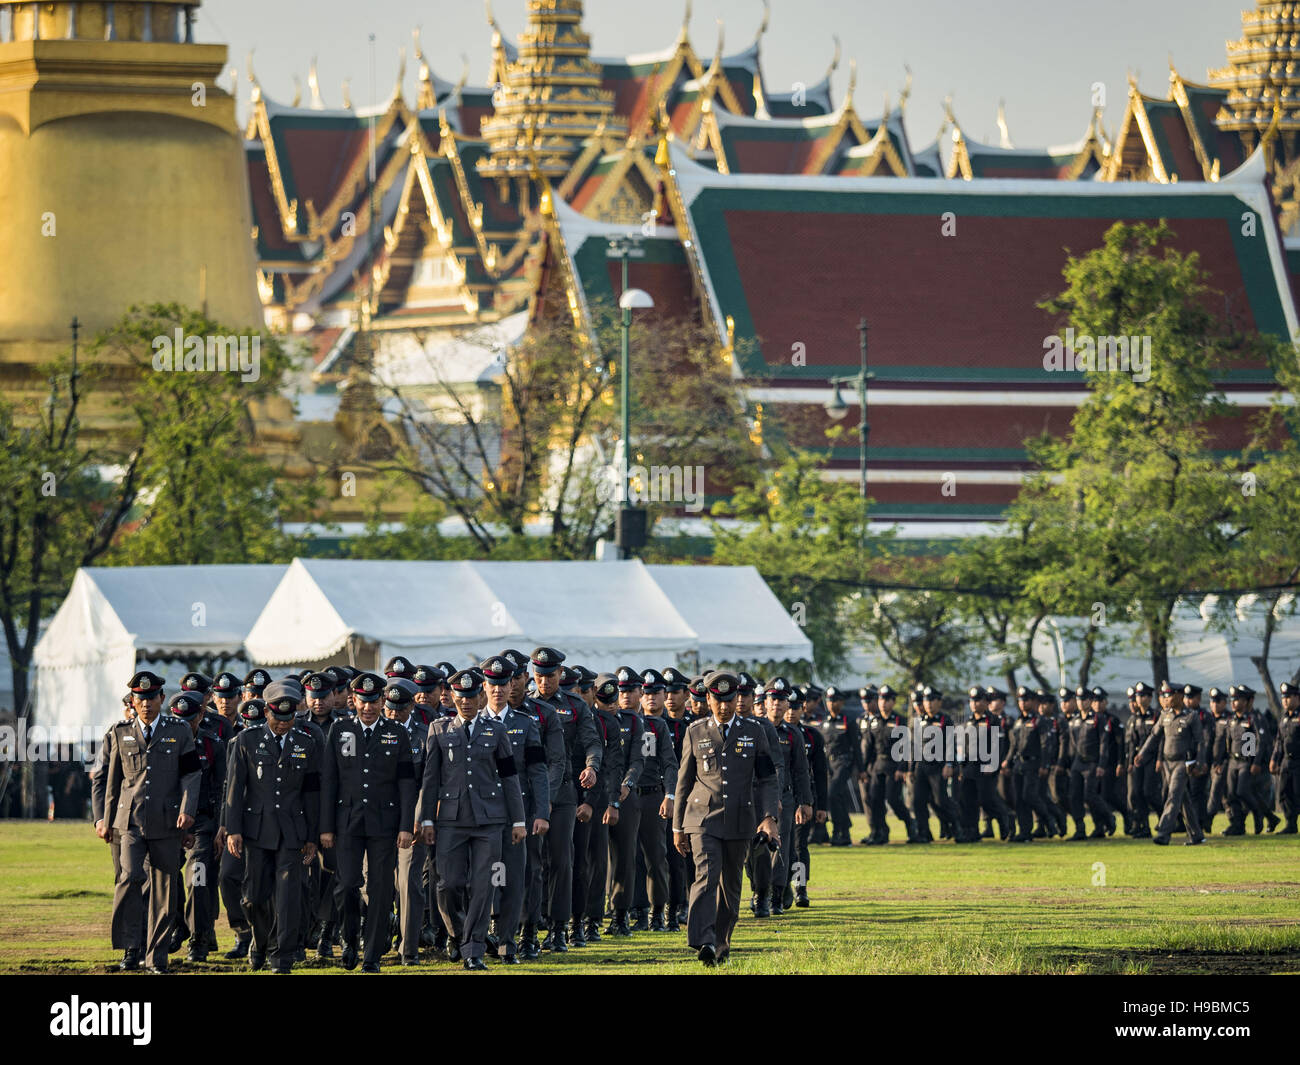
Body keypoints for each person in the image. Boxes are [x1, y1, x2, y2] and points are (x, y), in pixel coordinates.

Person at [417, 669, 526, 971]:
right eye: (460, 697)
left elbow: (509, 776)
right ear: (451, 696)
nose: (465, 702)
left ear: (480, 696)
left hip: (489, 821)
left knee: (483, 886)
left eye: (470, 696)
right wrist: (426, 819)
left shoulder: (496, 730)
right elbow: (430, 779)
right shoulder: (439, 730)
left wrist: (518, 820)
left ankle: (474, 949)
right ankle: (457, 933)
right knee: (448, 884)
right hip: (450, 820)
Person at [673, 671, 780, 966]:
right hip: (702, 818)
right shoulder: (695, 731)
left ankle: (720, 942)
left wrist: (769, 817)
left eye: (729, 699)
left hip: (740, 819)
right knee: (706, 876)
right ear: (708, 699)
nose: (724, 706)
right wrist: (678, 827)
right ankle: (703, 940)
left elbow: (768, 780)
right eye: (718, 700)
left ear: (737, 699)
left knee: (731, 889)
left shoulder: (755, 731)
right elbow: (683, 782)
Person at [102, 671, 201, 973]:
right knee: (130, 878)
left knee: (164, 890)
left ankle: (157, 956)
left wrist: (187, 811)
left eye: (150, 698)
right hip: (130, 821)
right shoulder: (119, 731)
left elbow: (191, 774)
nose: (145, 704)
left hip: (168, 821)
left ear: (161, 698)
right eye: (139, 698)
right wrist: (105, 821)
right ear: (132, 701)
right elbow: (113, 780)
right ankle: (131, 948)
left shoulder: (180, 730)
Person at [319, 673, 417, 973]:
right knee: (347, 884)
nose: (368, 707)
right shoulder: (340, 729)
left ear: (382, 700)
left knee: (381, 889)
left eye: (374, 701)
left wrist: (405, 826)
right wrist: (325, 827)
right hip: (347, 821)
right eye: (363, 701)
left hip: (384, 823)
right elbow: (329, 780)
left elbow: (406, 784)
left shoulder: (397, 733)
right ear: (354, 699)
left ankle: (372, 954)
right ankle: (350, 939)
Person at [223, 682, 322, 973]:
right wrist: (233, 829)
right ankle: (260, 942)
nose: (282, 724)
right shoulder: (247, 740)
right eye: (277, 718)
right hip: (256, 831)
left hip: (292, 832)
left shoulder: (306, 743)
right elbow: (235, 788)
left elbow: (313, 793)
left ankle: (282, 957)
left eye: (288, 719)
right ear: (266, 712)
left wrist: (312, 836)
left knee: (289, 897)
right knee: (253, 897)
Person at [529, 646, 600, 953]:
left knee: (562, 860)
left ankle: (560, 928)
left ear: (560, 674)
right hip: (529, 793)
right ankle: (527, 926)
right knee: (530, 863)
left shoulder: (574, 706)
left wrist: (592, 766)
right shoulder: (523, 704)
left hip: (563, 794)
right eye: (539, 675)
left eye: (550, 675)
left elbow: (592, 742)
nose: (544, 681)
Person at [478, 656, 550, 962]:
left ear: (512, 686)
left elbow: (538, 770)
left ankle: (508, 941)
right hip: (480, 814)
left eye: (502, 684)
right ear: (484, 687)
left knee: (514, 879)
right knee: (486, 878)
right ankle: (481, 938)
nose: (497, 690)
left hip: (515, 813)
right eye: (492, 684)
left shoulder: (525, 724)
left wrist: (542, 811)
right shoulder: (471, 723)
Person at [168, 690, 226, 962]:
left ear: (201, 716)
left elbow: (224, 790)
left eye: (189, 719)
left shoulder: (213, 745)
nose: (183, 724)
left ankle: (199, 938)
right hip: (168, 824)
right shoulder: (163, 742)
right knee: (166, 879)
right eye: (178, 718)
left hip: (204, 824)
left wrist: (221, 828)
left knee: (199, 879)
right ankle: (177, 924)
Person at [1133, 681, 1205, 846]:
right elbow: (1154, 736)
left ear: (1180, 695)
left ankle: (1164, 833)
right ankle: (1196, 834)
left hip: (1182, 762)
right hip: (1167, 762)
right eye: (1164, 695)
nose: (1166, 699)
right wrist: (1142, 753)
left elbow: (1201, 741)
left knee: (1173, 796)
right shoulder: (1165, 715)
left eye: (1169, 695)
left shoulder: (1191, 716)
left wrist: (1200, 762)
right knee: (1183, 800)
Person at [763, 678, 812, 914]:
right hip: (757, 796)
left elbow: (801, 771)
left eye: (782, 700)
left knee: (782, 849)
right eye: (773, 699)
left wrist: (805, 802)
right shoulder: (755, 728)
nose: (777, 705)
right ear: (765, 701)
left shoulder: (793, 734)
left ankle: (775, 897)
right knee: (754, 852)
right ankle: (759, 891)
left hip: (785, 799)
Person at [605, 667, 647, 937]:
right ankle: (589, 916)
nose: (619, 698)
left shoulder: (633, 722)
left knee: (624, 858)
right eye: (616, 693)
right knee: (592, 860)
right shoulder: (591, 720)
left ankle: (621, 915)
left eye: (627, 691)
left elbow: (638, 759)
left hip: (625, 795)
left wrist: (627, 784)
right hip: (596, 797)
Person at [783, 690, 828, 907]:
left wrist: (820, 805)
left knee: (799, 845)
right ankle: (779, 889)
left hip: (803, 797)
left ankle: (800, 888)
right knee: (780, 845)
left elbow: (820, 774)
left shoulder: (811, 736)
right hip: (778, 797)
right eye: (788, 707)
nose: (791, 712)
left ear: (803, 709)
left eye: (796, 708)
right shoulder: (769, 732)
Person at [1002, 687, 1057, 842]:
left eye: (1026, 699)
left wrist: (1045, 765)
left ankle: (1048, 819)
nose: (1022, 703)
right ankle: (1025, 831)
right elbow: (1013, 745)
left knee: (1030, 795)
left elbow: (1046, 745)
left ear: (1034, 702)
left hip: (1034, 763)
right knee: (1019, 799)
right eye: (1020, 700)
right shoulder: (1018, 722)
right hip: (1019, 763)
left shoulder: (1040, 721)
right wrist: (1007, 761)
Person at [1067, 688, 1116, 839]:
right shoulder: (1074, 720)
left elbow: (1103, 743)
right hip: (1078, 762)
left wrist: (1101, 764)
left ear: (1090, 701)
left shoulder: (1098, 719)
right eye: (1079, 699)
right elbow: (1073, 743)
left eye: (1084, 699)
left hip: (1092, 763)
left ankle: (1108, 817)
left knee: (1090, 795)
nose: (1081, 703)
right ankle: (1080, 829)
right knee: (1074, 796)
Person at [817, 686, 861, 846]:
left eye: (835, 700)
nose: (831, 703)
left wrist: (860, 770)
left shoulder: (848, 721)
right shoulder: (824, 722)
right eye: (829, 700)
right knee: (838, 797)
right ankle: (843, 832)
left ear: (841, 702)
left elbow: (856, 747)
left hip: (844, 763)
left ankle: (838, 829)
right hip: (828, 763)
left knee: (832, 794)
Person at [1222, 685, 1267, 836]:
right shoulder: (1231, 720)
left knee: (1242, 791)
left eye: (1237, 699)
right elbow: (1227, 742)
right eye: (1232, 699)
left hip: (1246, 761)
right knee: (1231, 794)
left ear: (1245, 701)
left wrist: (1256, 762)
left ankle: (1257, 813)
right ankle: (1238, 825)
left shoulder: (1252, 719)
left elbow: (1260, 742)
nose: (1234, 702)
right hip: (1232, 761)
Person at [1125, 683, 1160, 838]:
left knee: (1149, 792)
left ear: (1149, 698)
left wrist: (1159, 759)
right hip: (1138, 760)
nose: (1139, 699)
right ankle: (1144, 827)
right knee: (1136, 793)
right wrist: (1130, 763)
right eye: (1138, 696)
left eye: (1142, 696)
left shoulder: (1156, 716)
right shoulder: (1135, 718)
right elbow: (1132, 742)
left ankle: (1166, 818)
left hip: (1152, 759)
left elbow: (1161, 740)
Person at [1271, 682, 1300, 834]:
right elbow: (1279, 741)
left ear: (1297, 697)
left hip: (1299, 761)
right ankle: (1291, 824)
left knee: (1297, 794)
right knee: (1283, 793)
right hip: (1286, 762)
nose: (1285, 701)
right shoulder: (1284, 718)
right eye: (1283, 697)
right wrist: (1274, 760)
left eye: (1288, 697)